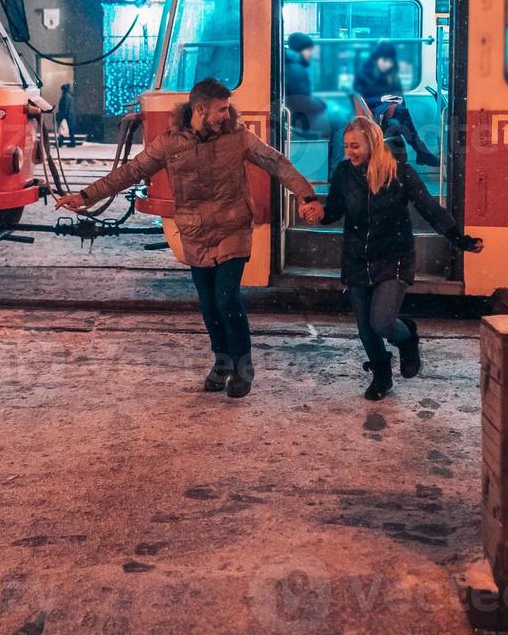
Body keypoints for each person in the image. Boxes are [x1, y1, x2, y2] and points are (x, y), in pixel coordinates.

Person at [56, 78, 324, 398]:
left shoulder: (238, 137)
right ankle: (221, 360)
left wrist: (306, 196)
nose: (227, 114)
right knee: (209, 304)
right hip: (195, 232)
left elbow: (275, 162)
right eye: (221, 109)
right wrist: (86, 196)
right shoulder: (171, 143)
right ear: (199, 109)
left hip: (232, 227)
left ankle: (242, 366)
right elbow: (130, 171)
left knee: (226, 297)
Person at [322, 117, 483, 401]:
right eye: (347, 147)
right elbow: (333, 211)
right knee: (365, 329)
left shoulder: (400, 173)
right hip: (356, 258)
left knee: (381, 322)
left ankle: (407, 337)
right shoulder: (343, 173)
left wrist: (459, 239)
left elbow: (430, 207)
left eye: (355, 146)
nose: (349, 152)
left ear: (372, 143)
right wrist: (317, 211)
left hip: (393, 257)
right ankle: (382, 376)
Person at [354, 40, 439, 167]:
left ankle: (403, 161)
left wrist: (398, 100)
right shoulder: (366, 77)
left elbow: (400, 98)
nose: (387, 64)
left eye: (390, 61)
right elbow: (363, 102)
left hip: (393, 114)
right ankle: (421, 152)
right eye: (384, 60)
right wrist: (381, 100)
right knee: (400, 115)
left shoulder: (392, 76)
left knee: (396, 123)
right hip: (375, 113)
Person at [283, 32, 327, 132]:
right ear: (299, 50)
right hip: (299, 119)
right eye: (308, 50)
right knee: (340, 120)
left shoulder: (290, 65)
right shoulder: (296, 69)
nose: (310, 54)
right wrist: (322, 104)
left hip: (294, 114)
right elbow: (303, 102)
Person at [56, 83, 78, 147]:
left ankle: (61, 143)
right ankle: (71, 142)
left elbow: (64, 107)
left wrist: (61, 116)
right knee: (69, 130)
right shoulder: (70, 96)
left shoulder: (65, 96)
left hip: (66, 116)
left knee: (62, 129)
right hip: (70, 116)